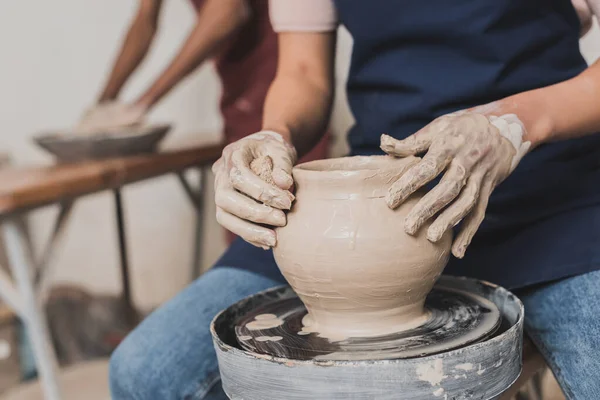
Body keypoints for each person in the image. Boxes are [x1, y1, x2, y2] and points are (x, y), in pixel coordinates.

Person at [110, 0, 600, 398]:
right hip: (383, 206)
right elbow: (303, 72)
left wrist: (512, 124)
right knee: (145, 372)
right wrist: (273, 135)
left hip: (550, 193)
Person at [78, 0, 329, 243]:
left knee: (295, 220)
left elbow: (228, 10)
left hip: (283, 87)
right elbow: (145, 20)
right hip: (238, 88)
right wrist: (104, 105)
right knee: (247, 228)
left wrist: (143, 103)